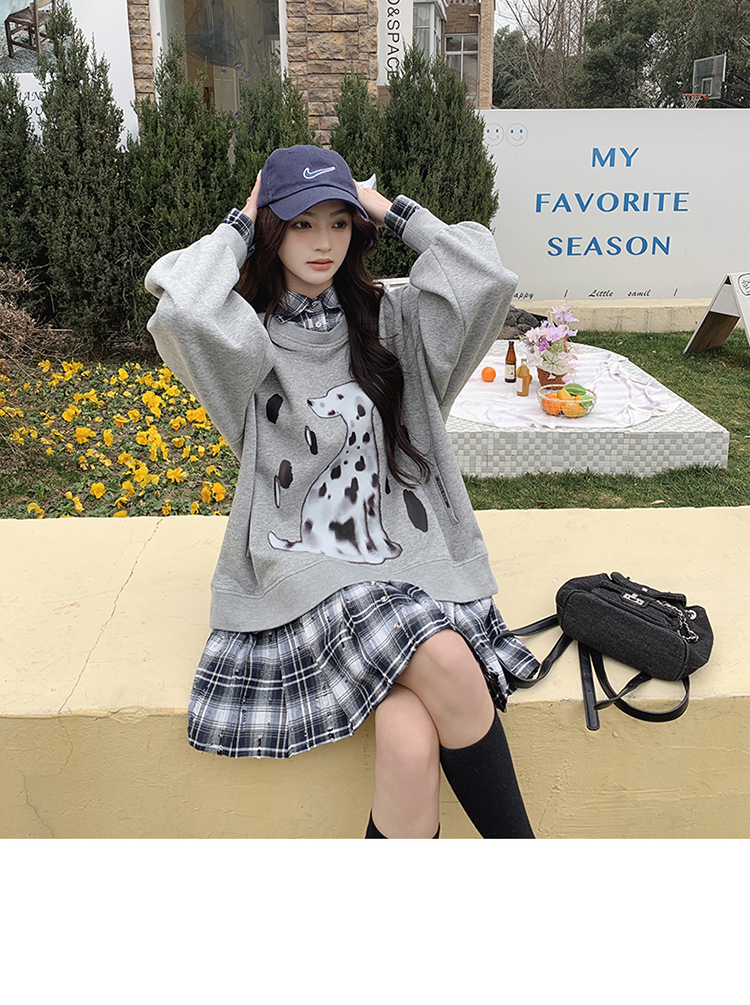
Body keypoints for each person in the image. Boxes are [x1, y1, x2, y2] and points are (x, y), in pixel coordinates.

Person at [145, 145, 539, 838]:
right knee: (447, 657)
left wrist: (386, 207)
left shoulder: (396, 318)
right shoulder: (245, 341)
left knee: (410, 740)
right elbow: (183, 307)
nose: (324, 242)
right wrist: (241, 220)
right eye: (301, 224)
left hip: (407, 558)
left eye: (339, 221)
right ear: (272, 230)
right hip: (309, 570)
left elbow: (485, 276)